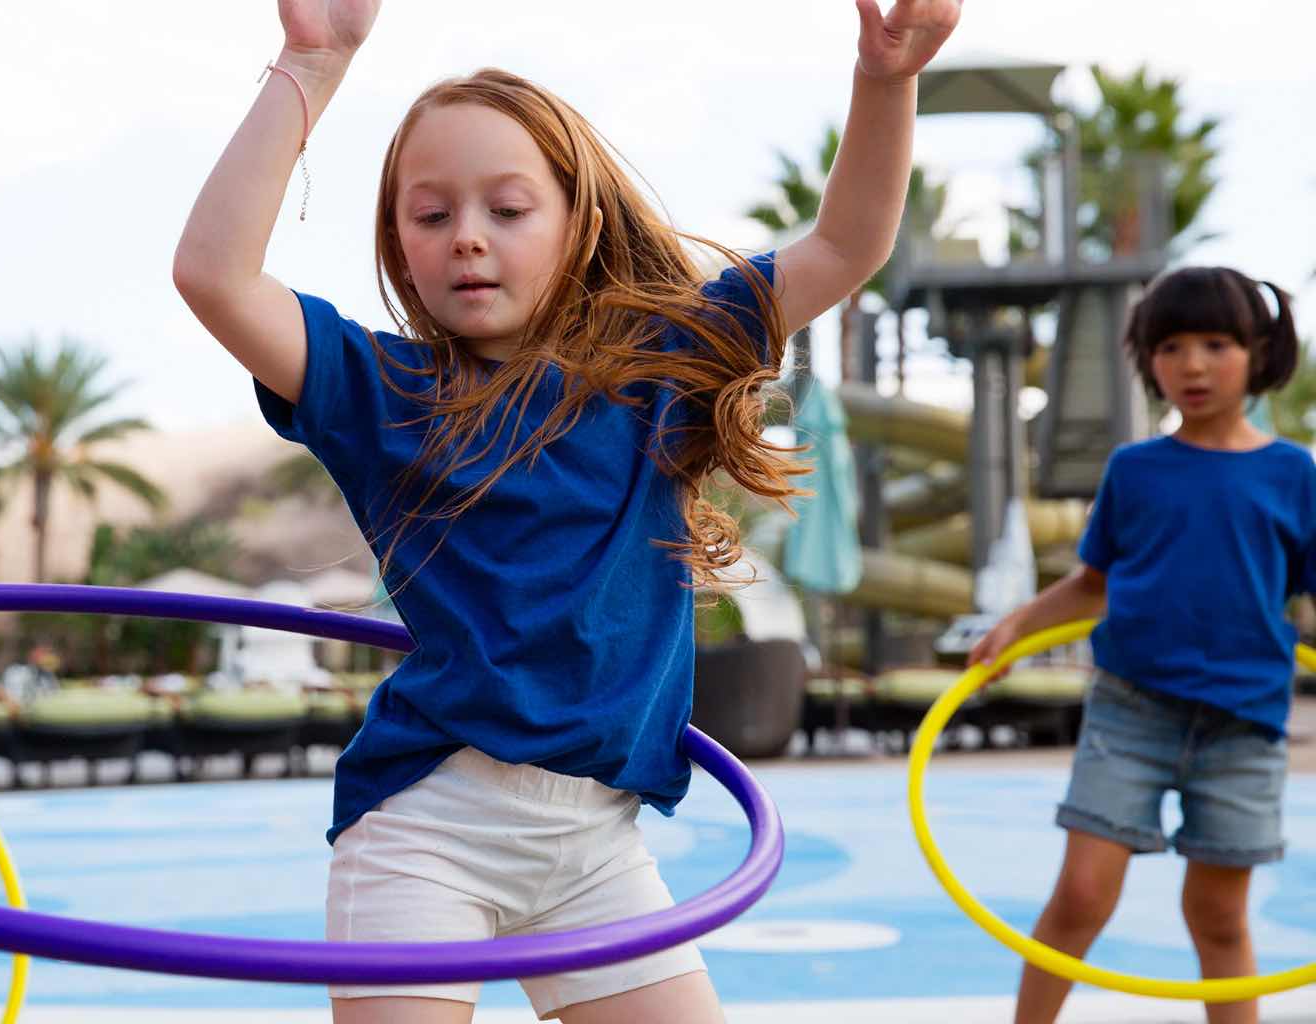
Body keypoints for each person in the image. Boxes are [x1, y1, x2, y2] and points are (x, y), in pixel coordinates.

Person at [174, 2, 959, 1020]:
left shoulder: (665, 364)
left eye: (507, 209)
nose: (467, 239)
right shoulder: (380, 390)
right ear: (399, 243)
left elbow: (848, 244)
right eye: (430, 214)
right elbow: (213, 274)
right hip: (427, 824)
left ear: (577, 221)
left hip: (595, 843)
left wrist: (886, 78)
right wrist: (311, 65)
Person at [968, 266, 1311, 1024]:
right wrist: (1016, 627)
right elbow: (1093, 584)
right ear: (1147, 359)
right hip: (1132, 711)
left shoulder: (1292, 475)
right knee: (1081, 896)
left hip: (1245, 724)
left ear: (1259, 352)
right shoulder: (1136, 469)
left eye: (1216, 344)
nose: (1191, 365)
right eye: (1171, 346)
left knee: (1218, 916)